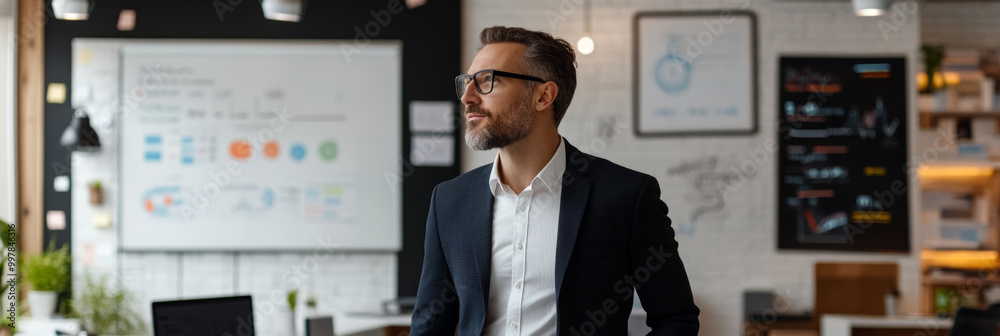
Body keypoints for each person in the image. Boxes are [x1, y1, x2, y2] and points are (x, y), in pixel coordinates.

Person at [410, 26, 700, 336]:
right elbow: (429, 325)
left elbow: (676, 320)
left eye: (487, 81)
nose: (468, 97)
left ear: (543, 96)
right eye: (467, 83)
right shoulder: (449, 200)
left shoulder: (626, 196)